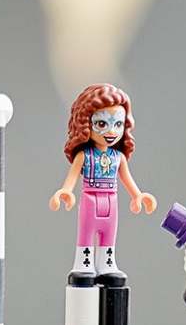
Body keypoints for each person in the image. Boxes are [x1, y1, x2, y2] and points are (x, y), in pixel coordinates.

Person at [49, 83, 156, 279]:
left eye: (118, 124)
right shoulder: (84, 156)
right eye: (101, 124)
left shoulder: (118, 157)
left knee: (109, 234)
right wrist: (65, 191)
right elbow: (72, 178)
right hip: (90, 200)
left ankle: (107, 262)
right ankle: (83, 262)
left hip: (111, 201)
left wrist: (138, 196)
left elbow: (127, 179)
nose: (111, 132)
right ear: (85, 124)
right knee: (86, 233)